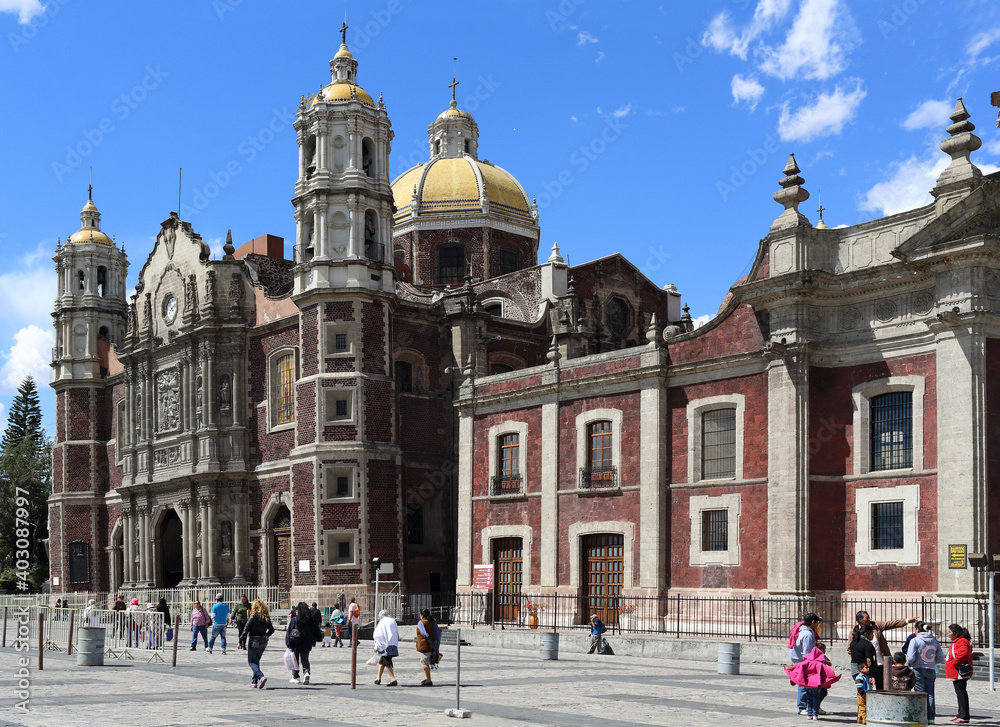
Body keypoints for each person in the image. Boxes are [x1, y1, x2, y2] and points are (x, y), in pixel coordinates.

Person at [849, 611, 917, 691]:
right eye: (866, 618)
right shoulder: (854, 631)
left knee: (882, 688)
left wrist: (907, 621)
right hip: (866, 667)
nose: (869, 619)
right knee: (865, 688)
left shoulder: (876, 625)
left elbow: (891, 624)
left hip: (880, 663)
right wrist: (863, 663)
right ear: (860, 620)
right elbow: (850, 649)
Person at [783, 644, 840, 721]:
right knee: (816, 698)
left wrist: (789, 668)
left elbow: (797, 666)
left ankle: (809, 714)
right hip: (816, 684)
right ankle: (815, 714)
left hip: (808, 684)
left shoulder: (806, 662)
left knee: (809, 699)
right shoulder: (820, 664)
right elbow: (828, 670)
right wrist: (833, 676)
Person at [907, 621, 945, 723]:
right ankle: (931, 717)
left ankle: (920, 716)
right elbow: (941, 657)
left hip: (918, 668)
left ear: (917, 629)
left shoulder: (915, 641)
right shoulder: (934, 640)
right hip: (931, 669)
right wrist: (932, 662)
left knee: (920, 693)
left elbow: (910, 657)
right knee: (930, 694)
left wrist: (912, 663)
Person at [788, 612, 823, 716]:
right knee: (803, 684)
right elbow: (807, 652)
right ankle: (802, 707)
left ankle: (813, 706)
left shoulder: (802, 629)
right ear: (813, 622)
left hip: (799, 659)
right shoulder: (807, 634)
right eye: (817, 622)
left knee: (807, 684)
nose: (818, 624)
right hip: (803, 660)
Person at [241, 599, 275, 689]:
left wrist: (241, 641)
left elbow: (246, 629)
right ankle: (254, 682)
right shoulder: (266, 617)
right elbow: (272, 630)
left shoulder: (253, 616)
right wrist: (266, 635)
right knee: (256, 661)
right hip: (263, 640)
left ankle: (261, 676)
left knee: (251, 661)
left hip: (254, 640)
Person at [944, 623, 973, 723]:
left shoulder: (962, 641)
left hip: (959, 672)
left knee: (961, 693)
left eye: (949, 632)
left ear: (955, 633)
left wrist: (954, 662)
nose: (948, 634)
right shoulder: (957, 641)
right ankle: (960, 713)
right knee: (959, 693)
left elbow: (963, 653)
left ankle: (964, 716)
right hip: (955, 672)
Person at [286, 602, 320, 684]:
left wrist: (288, 643)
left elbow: (289, 631)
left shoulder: (294, 619)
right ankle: (306, 672)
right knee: (305, 659)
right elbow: (316, 631)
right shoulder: (310, 620)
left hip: (296, 642)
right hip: (307, 643)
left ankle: (296, 676)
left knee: (295, 660)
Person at [372, 609, 399, 686]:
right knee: (382, 661)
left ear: (380, 617)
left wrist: (376, 647)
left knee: (387, 661)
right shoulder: (393, 621)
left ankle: (393, 679)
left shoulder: (382, 623)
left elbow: (379, 636)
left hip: (385, 645)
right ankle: (378, 678)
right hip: (393, 644)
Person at [416, 608, 441, 686]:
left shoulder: (422, 623)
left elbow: (425, 634)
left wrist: (430, 641)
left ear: (422, 615)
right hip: (432, 645)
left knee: (424, 663)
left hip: (425, 646)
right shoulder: (432, 622)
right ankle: (425, 677)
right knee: (426, 662)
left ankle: (429, 680)